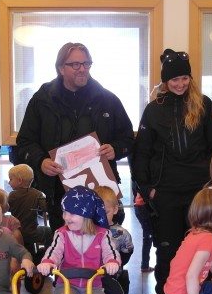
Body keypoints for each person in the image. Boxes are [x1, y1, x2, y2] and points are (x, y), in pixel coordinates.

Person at [131, 48, 212, 294]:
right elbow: (142, 153)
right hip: (166, 192)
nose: (180, 83)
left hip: (199, 192)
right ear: (165, 81)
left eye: (184, 78)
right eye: (174, 79)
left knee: (201, 251)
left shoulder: (203, 104)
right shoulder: (154, 109)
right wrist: (147, 189)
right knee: (169, 251)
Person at [16, 42, 134, 233]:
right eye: (75, 64)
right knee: (64, 245)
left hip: (100, 191)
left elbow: (128, 138)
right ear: (61, 68)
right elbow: (25, 142)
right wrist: (41, 161)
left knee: (102, 244)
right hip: (59, 192)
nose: (82, 69)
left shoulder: (107, 99)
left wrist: (116, 149)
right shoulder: (42, 100)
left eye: (86, 64)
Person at [94, 186, 134, 294]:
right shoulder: (87, 230)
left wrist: (115, 265)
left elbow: (127, 252)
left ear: (115, 209)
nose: (101, 217)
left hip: (109, 275)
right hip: (89, 276)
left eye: (105, 212)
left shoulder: (121, 233)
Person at [7, 163, 51, 259]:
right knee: (50, 232)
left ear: (19, 181)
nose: (9, 182)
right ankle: (46, 255)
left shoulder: (12, 195)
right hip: (32, 233)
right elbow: (45, 208)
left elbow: (6, 208)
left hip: (17, 233)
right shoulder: (37, 194)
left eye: (10, 179)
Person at [132, 181, 155, 273]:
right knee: (148, 237)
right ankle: (144, 265)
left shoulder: (137, 177)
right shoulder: (148, 178)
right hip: (144, 207)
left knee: (147, 237)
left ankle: (145, 265)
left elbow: (134, 190)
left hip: (138, 206)